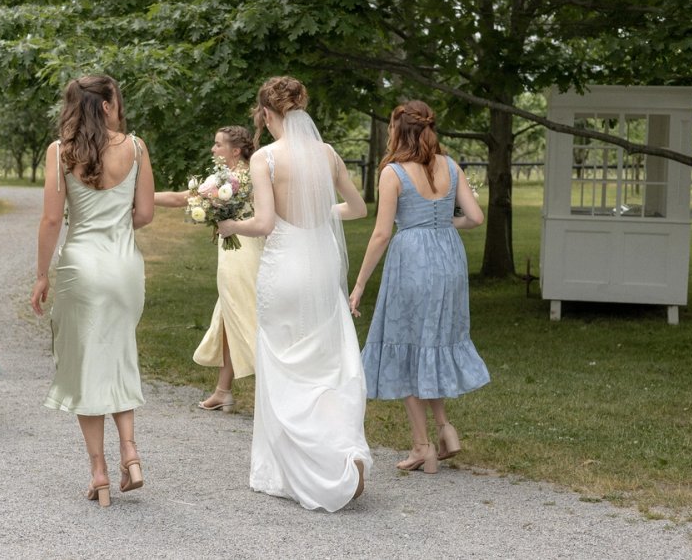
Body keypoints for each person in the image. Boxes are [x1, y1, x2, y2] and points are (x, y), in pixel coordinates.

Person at [218, 76, 372, 512]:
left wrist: (230, 226)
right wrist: (319, 209)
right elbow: (358, 210)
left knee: (283, 363)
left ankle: (289, 469)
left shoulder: (265, 158)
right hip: (322, 269)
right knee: (325, 361)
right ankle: (340, 454)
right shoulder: (327, 155)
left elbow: (264, 224)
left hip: (284, 268)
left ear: (266, 114)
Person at [31, 74, 155, 508]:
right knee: (119, 354)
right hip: (123, 266)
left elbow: (51, 220)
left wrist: (42, 274)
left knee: (84, 367)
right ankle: (131, 453)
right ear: (105, 105)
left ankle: (100, 473)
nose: (120, 105)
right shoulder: (136, 148)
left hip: (81, 267)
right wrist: (117, 222)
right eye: (117, 99)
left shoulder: (60, 151)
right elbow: (144, 213)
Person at [348, 99, 490, 474]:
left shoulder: (393, 172)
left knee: (409, 348)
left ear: (399, 130)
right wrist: (442, 224)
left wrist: (360, 284)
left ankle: (421, 446)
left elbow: (380, 234)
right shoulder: (452, 166)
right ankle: (446, 429)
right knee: (432, 345)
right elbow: (475, 217)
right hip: (449, 261)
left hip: (412, 261)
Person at [154, 126, 262, 412]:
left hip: (240, 254)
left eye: (217, 145)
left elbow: (181, 199)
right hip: (250, 247)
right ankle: (223, 391)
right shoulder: (252, 171)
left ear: (235, 150)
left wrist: (141, 197)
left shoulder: (232, 179)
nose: (213, 150)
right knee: (229, 316)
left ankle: (274, 390)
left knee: (245, 316)